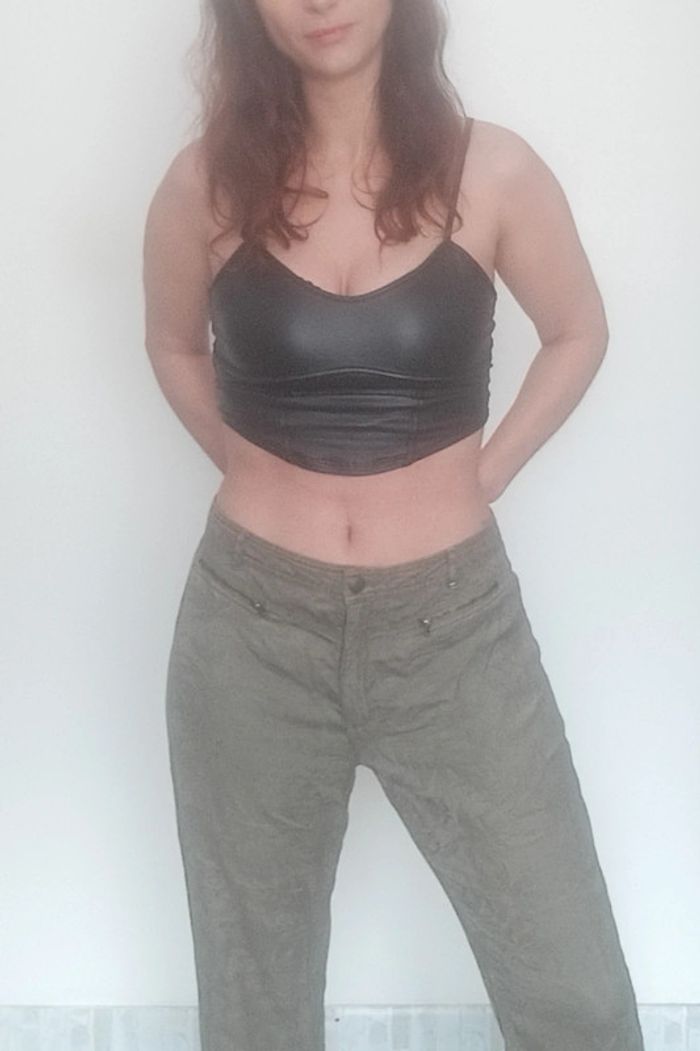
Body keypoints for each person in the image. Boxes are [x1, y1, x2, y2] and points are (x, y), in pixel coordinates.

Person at [142, 1, 646, 1049]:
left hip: (454, 630)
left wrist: (485, 473)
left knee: (576, 998)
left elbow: (579, 329)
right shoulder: (205, 184)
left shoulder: (492, 171)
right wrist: (249, 464)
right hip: (249, 635)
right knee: (256, 1009)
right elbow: (173, 344)